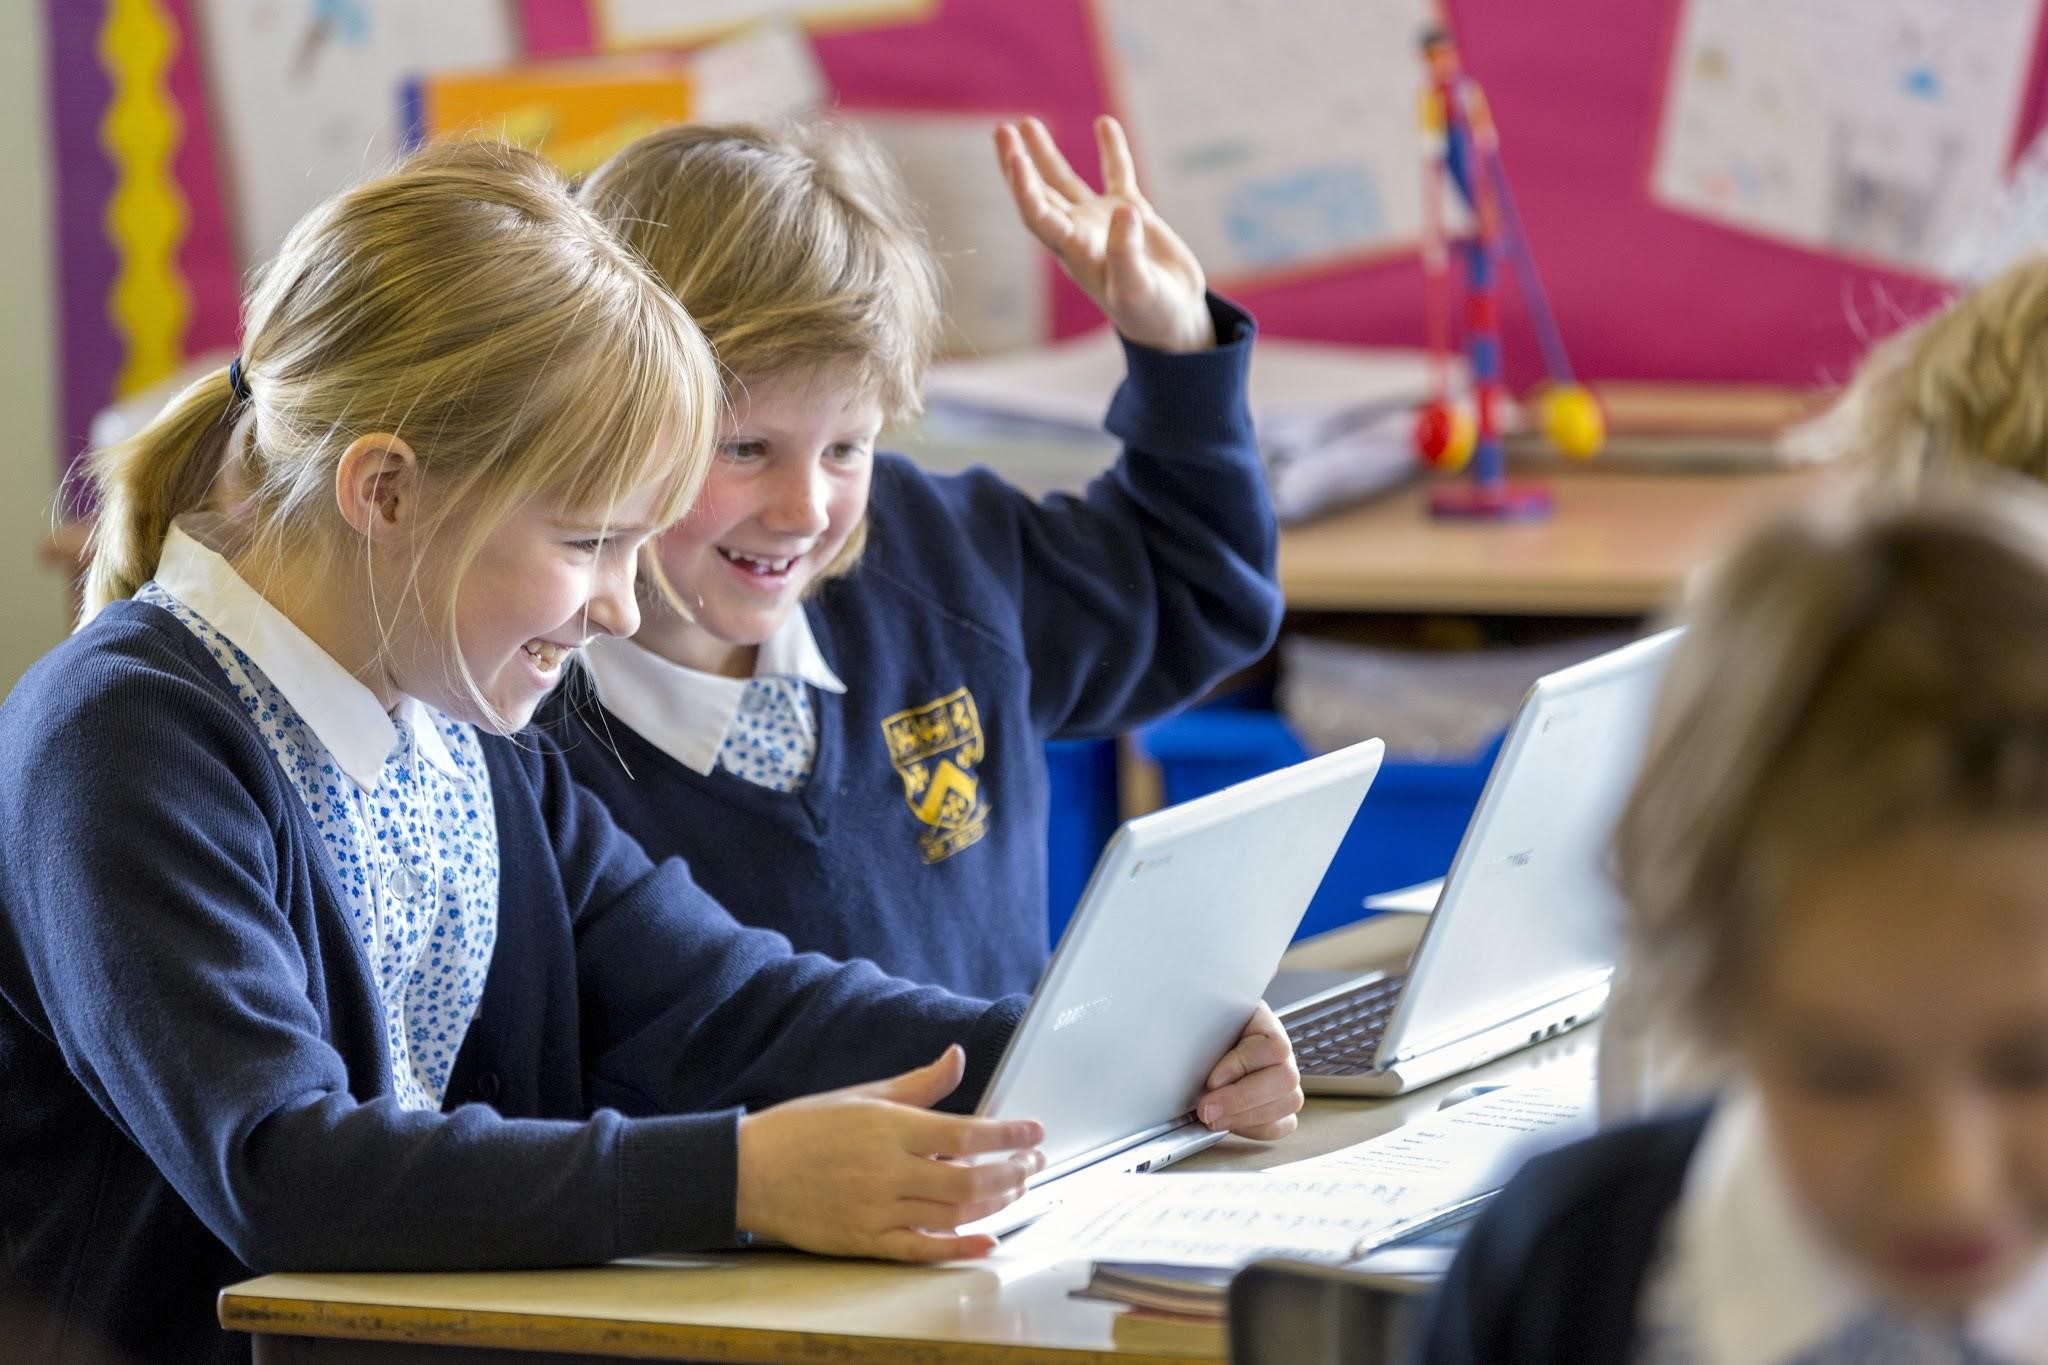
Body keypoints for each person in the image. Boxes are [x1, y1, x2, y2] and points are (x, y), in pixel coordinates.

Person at [0, 141, 1301, 1364]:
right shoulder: (125, 741)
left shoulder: (446, 715)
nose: (621, 609)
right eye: (585, 542)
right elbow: (290, 1168)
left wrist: (1117, 1048)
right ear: (385, 493)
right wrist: (741, 1177)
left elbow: (725, 1003)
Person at [547, 115, 1282, 998]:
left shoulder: (938, 555)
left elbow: (1195, 590)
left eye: (847, 448)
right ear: (600, 422)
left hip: (1012, 1133)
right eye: (743, 449)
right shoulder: (522, 712)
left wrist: (1176, 351)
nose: (806, 510)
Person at [1422, 489, 2048, 1362]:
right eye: (1844, 1077)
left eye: (2029, 1068)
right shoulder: (1568, 1274)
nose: (1948, 1184)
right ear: (1717, 999)